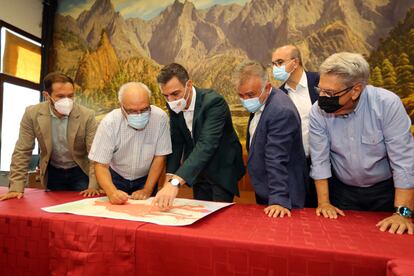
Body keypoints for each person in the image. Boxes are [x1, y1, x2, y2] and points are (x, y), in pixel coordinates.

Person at [310, 52, 414, 234]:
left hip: (386, 192)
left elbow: (404, 164)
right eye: (320, 90)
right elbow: (319, 160)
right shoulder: (318, 112)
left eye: (330, 93)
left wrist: (403, 213)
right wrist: (324, 203)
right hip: (343, 192)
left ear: (355, 90)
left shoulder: (386, 105)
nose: (323, 98)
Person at [153, 63, 245, 210]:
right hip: (197, 169)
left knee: (219, 216)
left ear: (189, 85)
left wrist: (175, 183)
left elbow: (206, 144)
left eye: (175, 94)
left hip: (221, 166)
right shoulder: (174, 104)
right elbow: (177, 143)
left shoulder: (214, 103)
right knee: (201, 212)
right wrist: (168, 181)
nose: (171, 101)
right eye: (166, 96)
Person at [0, 72, 99, 201]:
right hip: (53, 172)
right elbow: (22, 151)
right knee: (55, 212)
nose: (67, 101)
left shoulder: (87, 115)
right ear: (47, 95)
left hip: (80, 171)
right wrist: (16, 188)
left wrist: (94, 186)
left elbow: (95, 154)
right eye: (60, 96)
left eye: (70, 96)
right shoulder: (32, 114)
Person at [235, 61, 307, 217]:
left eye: (250, 95)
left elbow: (276, 157)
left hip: (284, 197)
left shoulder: (280, 110)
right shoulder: (261, 101)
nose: (246, 100)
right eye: (241, 95)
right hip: (267, 190)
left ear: (267, 88)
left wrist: (279, 200)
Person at [89, 82, 172, 205]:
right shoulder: (110, 123)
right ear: (121, 107)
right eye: (132, 111)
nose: (139, 115)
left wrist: (147, 189)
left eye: (144, 109)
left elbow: (160, 157)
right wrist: (112, 192)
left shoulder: (160, 118)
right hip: (116, 178)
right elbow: (101, 165)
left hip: (147, 178)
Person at [272, 44, 320, 207]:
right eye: (273, 64)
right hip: (295, 167)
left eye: (279, 62)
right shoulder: (278, 96)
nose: (275, 68)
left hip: (326, 163)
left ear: (295, 62)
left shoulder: (320, 83)